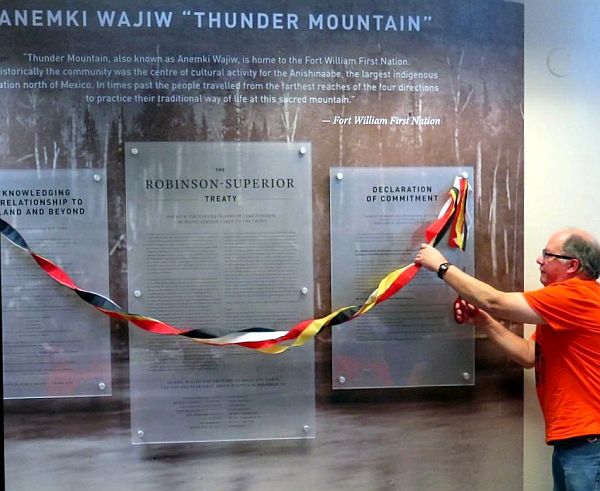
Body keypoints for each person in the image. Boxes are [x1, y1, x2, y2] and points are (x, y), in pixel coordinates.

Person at [414, 228, 600, 491]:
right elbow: (528, 355)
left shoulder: (577, 296)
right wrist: (483, 322)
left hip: (588, 443)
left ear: (572, 266)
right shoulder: (564, 307)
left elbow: (494, 300)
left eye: (548, 254)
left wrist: (442, 266)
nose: (540, 260)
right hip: (575, 442)